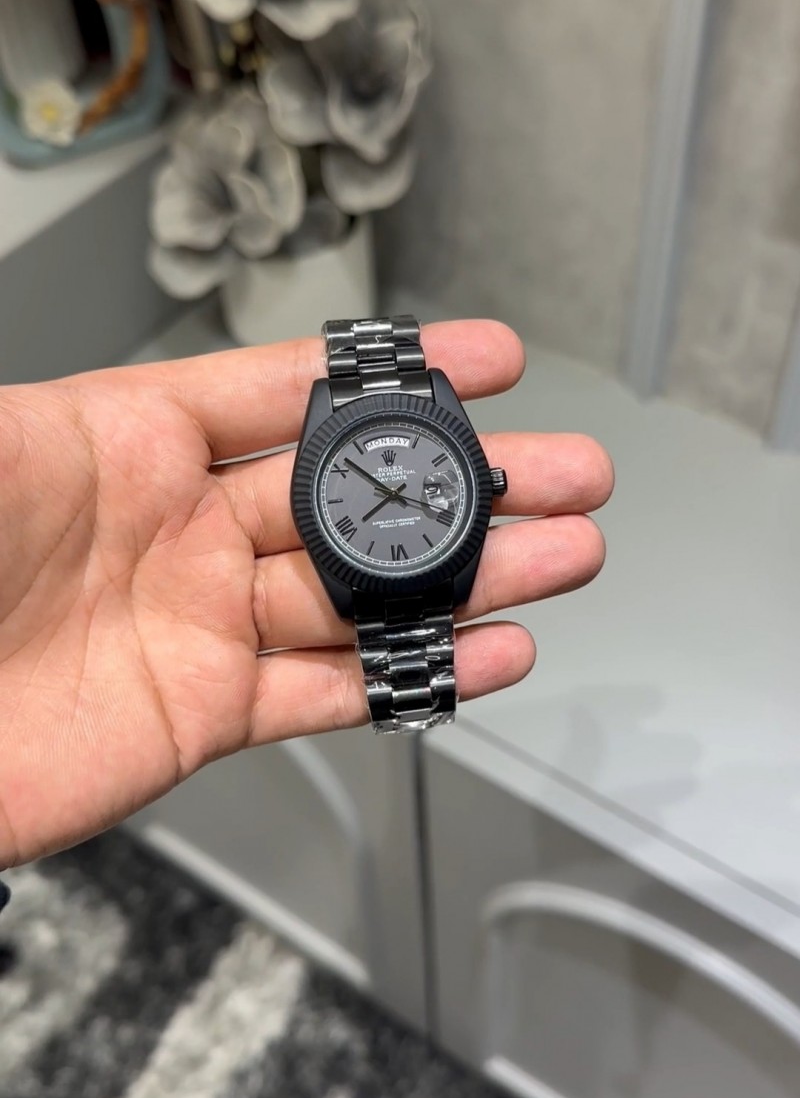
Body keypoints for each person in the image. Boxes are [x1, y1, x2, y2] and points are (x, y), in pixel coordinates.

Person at [0, 319, 613, 879]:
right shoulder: (340, 461)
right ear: (309, 505)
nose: (393, 499)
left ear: (484, 482)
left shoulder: (410, 455)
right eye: (377, 492)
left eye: (402, 494)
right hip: (390, 570)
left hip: (431, 563)